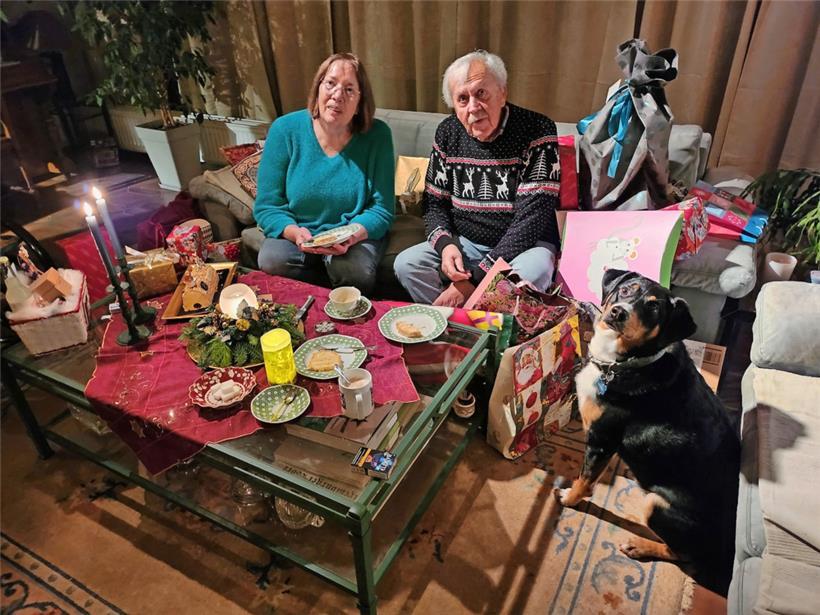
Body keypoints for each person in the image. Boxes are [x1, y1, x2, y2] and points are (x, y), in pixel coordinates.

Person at [394, 50, 560, 306]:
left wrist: (472, 281)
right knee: (407, 264)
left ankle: (494, 338)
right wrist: (446, 246)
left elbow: (532, 220)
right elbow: (434, 204)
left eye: (481, 93)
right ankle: (454, 329)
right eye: (462, 98)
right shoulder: (447, 133)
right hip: (467, 244)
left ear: (502, 92)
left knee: (530, 274)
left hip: (528, 247)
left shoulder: (538, 130)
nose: (473, 107)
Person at [254, 53, 394, 295]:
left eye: (349, 89)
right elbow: (267, 205)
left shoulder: (378, 135)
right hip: (300, 232)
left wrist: (352, 236)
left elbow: (382, 209)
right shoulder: (285, 130)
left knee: (354, 269)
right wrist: (294, 233)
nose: (337, 95)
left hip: (353, 233)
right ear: (318, 87)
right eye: (330, 83)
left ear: (360, 101)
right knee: (271, 259)